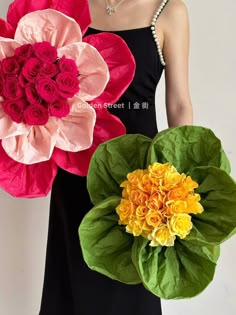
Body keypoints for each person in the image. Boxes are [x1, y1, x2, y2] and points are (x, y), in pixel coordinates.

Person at [39, 0, 193, 314]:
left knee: (131, 290)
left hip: (140, 186)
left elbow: (178, 104)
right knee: (72, 285)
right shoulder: (68, 7)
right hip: (76, 171)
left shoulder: (168, 10)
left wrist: (183, 186)